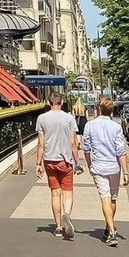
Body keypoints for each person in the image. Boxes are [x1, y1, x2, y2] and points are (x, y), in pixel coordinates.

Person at [82, 95, 129, 246]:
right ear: (111, 110)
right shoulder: (116, 127)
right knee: (113, 198)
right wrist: (126, 171)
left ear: (98, 109)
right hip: (114, 168)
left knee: (105, 197)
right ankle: (109, 229)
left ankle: (110, 230)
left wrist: (90, 164)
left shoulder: (90, 125)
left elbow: (86, 148)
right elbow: (121, 151)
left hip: (99, 167)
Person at [36, 90, 80, 240]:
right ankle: (66, 214)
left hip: (49, 160)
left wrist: (38, 164)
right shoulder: (69, 119)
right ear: (61, 103)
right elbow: (73, 143)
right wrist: (78, 162)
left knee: (55, 193)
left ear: (49, 103)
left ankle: (59, 227)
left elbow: (41, 144)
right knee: (67, 192)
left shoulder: (41, 118)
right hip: (65, 160)